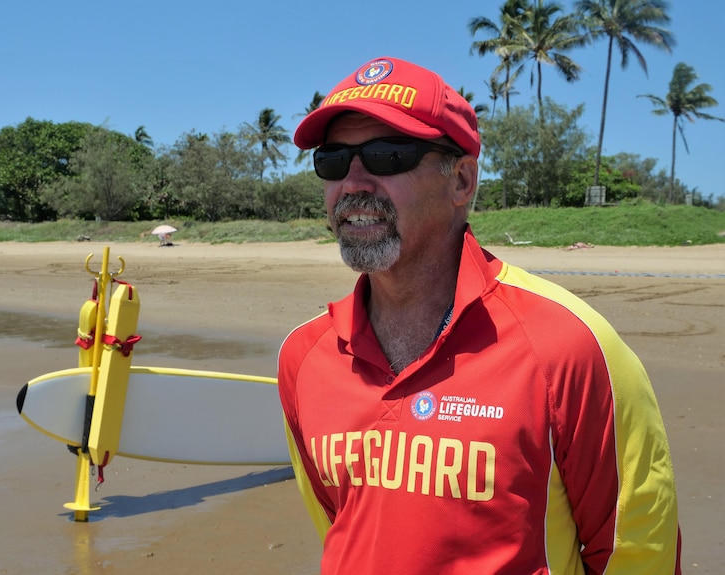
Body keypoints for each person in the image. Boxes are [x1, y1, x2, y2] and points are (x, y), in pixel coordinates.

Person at [277, 56, 682, 574]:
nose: (353, 181)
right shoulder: (303, 358)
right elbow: (343, 528)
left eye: (385, 155)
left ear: (461, 181)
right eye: (332, 161)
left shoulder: (568, 347)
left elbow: (636, 549)